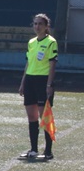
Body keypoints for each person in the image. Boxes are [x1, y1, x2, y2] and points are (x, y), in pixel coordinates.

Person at [18, 13, 57, 161]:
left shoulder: (51, 42)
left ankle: (48, 151)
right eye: (35, 24)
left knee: (44, 117)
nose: (37, 26)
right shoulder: (31, 42)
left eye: (40, 24)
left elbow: (53, 64)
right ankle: (33, 149)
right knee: (32, 116)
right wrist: (23, 82)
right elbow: (28, 63)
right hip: (30, 80)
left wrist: (49, 84)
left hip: (43, 81)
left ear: (46, 26)